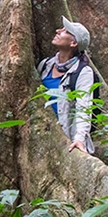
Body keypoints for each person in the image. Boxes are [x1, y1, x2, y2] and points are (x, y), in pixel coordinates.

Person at [37, 16, 95, 154]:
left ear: (74, 43)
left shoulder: (83, 72)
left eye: (65, 31)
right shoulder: (45, 65)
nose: (58, 31)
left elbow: (84, 106)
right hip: (42, 136)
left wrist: (79, 138)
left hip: (66, 139)